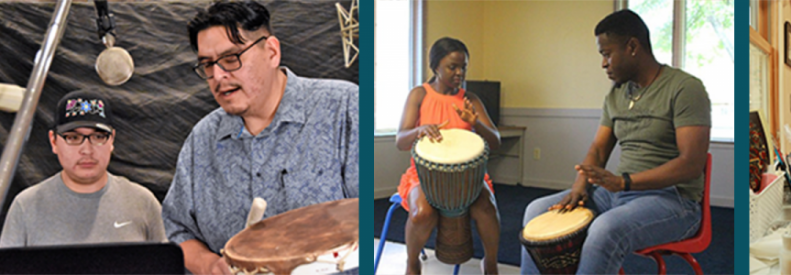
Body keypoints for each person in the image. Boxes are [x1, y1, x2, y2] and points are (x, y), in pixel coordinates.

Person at [161, 1, 359, 274]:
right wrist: (209, 264)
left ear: (272, 51)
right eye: (207, 65)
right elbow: (177, 230)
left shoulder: (343, 108)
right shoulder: (202, 140)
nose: (218, 76)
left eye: (231, 58)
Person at [520, 9, 711, 274]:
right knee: (536, 211)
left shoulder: (685, 88)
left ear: (632, 47)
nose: (603, 63)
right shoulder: (616, 94)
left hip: (673, 201)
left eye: (607, 54)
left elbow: (691, 164)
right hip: (618, 195)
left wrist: (625, 182)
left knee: (605, 229)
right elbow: (598, 149)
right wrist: (579, 188)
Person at [0, 91, 166, 248]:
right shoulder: (26, 207)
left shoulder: (142, 203)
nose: (87, 150)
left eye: (98, 137)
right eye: (73, 137)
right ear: (54, 141)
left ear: (112, 140)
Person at [395, 37, 502, 275]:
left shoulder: (470, 99)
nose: (459, 72)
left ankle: (491, 262)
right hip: (423, 176)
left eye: (463, 67)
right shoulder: (419, 95)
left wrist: (476, 124)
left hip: (469, 177)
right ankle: (412, 262)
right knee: (422, 213)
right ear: (435, 67)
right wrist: (419, 130)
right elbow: (400, 141)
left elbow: (495, 141)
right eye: (452, 67)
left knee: (487, 208)